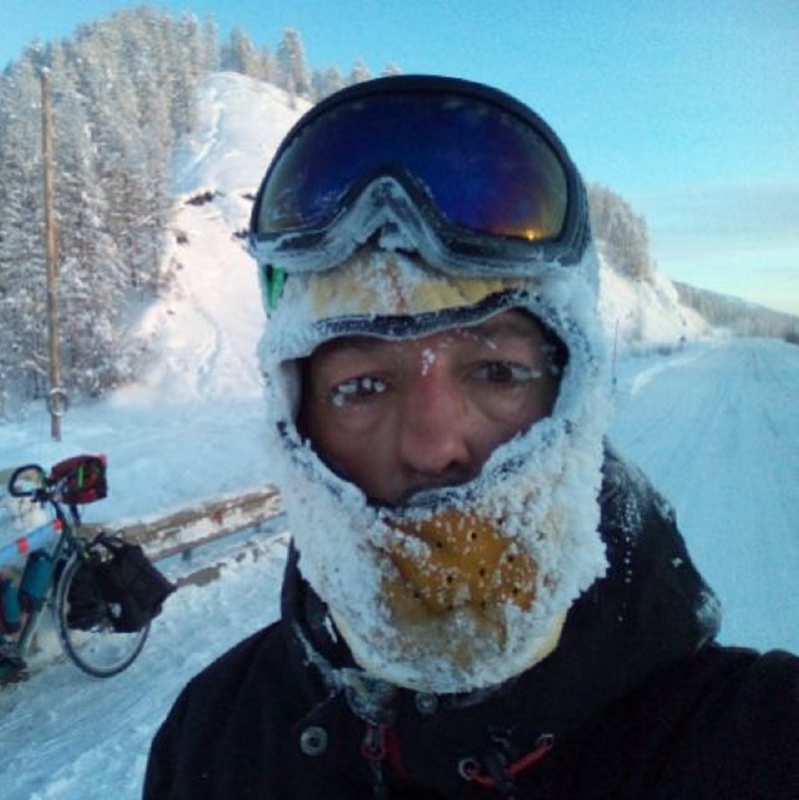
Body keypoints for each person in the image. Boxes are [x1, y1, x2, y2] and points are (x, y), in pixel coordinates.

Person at [143, 75, 799, 798]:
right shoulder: (210, 741)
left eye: (496, 371)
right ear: (297, 421)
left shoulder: (748, 741)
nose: (433, 446)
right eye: (362, 385)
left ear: (571, 394)